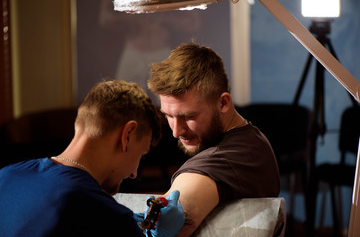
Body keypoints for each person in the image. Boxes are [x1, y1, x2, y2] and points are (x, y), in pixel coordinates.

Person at [0, 80, 184, 237]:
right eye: (141, 154)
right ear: (127, 135)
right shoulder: (104, 214)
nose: (134, 173)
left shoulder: (6, 176)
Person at [148, 43, 280, 236]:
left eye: (188, 117)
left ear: (223, 102)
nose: (176, 132)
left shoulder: (227, 159)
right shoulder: (251, 139)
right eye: (168, 116)